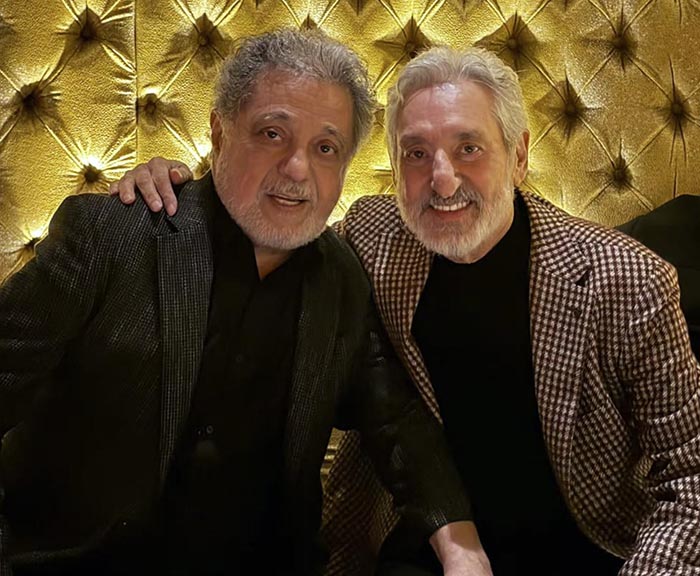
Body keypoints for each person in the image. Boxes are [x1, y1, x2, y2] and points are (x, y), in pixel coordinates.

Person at [113, 46, 700, 576]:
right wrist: (180, 192)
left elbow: (691, 480)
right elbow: (267, 234)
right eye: (416, 154)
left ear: (519, 155)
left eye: (469, 148)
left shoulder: (629, 281)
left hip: (590, 553)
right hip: (425, 548)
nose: (441, 181)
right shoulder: (371, 238)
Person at [0, 30, 496, 576]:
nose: (297, 168)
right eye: (272, 133)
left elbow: (396, 420)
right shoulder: (112, 236)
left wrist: (459, 543)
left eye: (325, 148)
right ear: (219, 133)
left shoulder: (342, 280)